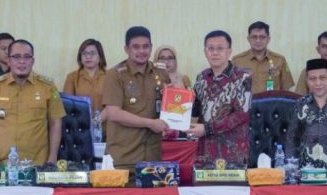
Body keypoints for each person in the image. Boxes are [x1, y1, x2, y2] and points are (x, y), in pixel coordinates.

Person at [0, 39, 65, 175]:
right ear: (8, 61)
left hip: (38, 165)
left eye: (27, 57)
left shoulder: (48, 87)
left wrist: (52, 159)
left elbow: (56, 123)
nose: (22, 61)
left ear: (32, 61)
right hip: (2, 165)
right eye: (16, 57)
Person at [102, 26, 171, 174]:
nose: (141, 51)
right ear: (126, 49)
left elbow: (168, 109)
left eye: (146, 46)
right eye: (136, 47)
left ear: (151, 47)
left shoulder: (161, 74)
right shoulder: (115, 75)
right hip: (124, 158)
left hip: (153, 156)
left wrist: (179, 99)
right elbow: (113, 113)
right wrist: (150, 123)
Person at [187, 30, 252, 164]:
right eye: (211, 48)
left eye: (220, 48)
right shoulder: (201, 77)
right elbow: (195, 110)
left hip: (232, 151)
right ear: (205, 52)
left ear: (229, 51)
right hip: (205, 151)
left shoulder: (243, 77)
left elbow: (241, 115)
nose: (215, 53)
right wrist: (176, 96)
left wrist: (207, 129)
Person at [232, 21, 294, 93]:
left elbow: (286, 89)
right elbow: (231, 89)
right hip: (247, 100)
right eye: (254, 37)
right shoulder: (237, 61)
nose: (258, 40)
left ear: (268, 39)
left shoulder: (280, 60)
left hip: (272, 100)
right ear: (248, 39)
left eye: (262, 37)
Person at [63, 38, 107, 113]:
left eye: (92, 53)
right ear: (80, 57)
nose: (88, 57)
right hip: (79, 120)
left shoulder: (109, 77)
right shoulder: (72, 77)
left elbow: (112, 106)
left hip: (104, 119)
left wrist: (98, 118)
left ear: (100, 56)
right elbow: (67, 106)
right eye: (84, 53)